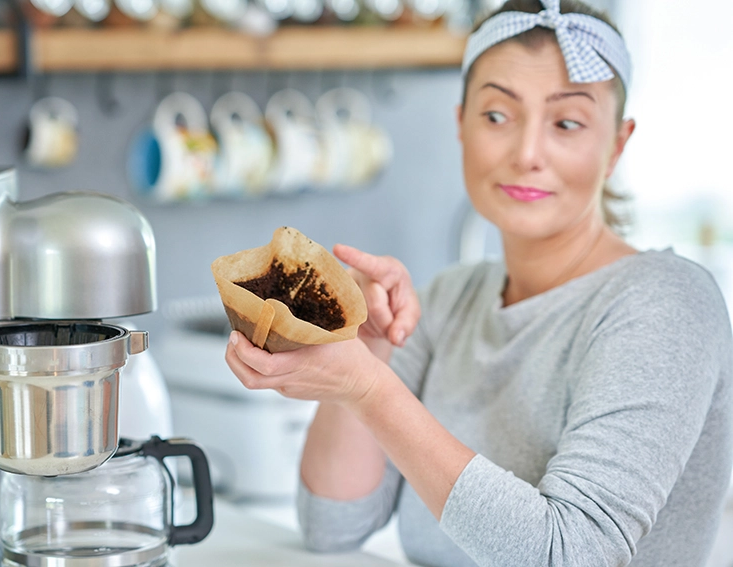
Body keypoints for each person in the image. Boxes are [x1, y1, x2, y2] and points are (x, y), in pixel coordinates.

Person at [224, 0, 733, 565]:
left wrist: (372, 389)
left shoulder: (666, 304)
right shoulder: (450, 299)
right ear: (461, 123)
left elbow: (572, 553)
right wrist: (365, 352)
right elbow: (332, 526)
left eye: (566, 123)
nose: (527, 154)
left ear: (616, 145)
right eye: (497, 115)